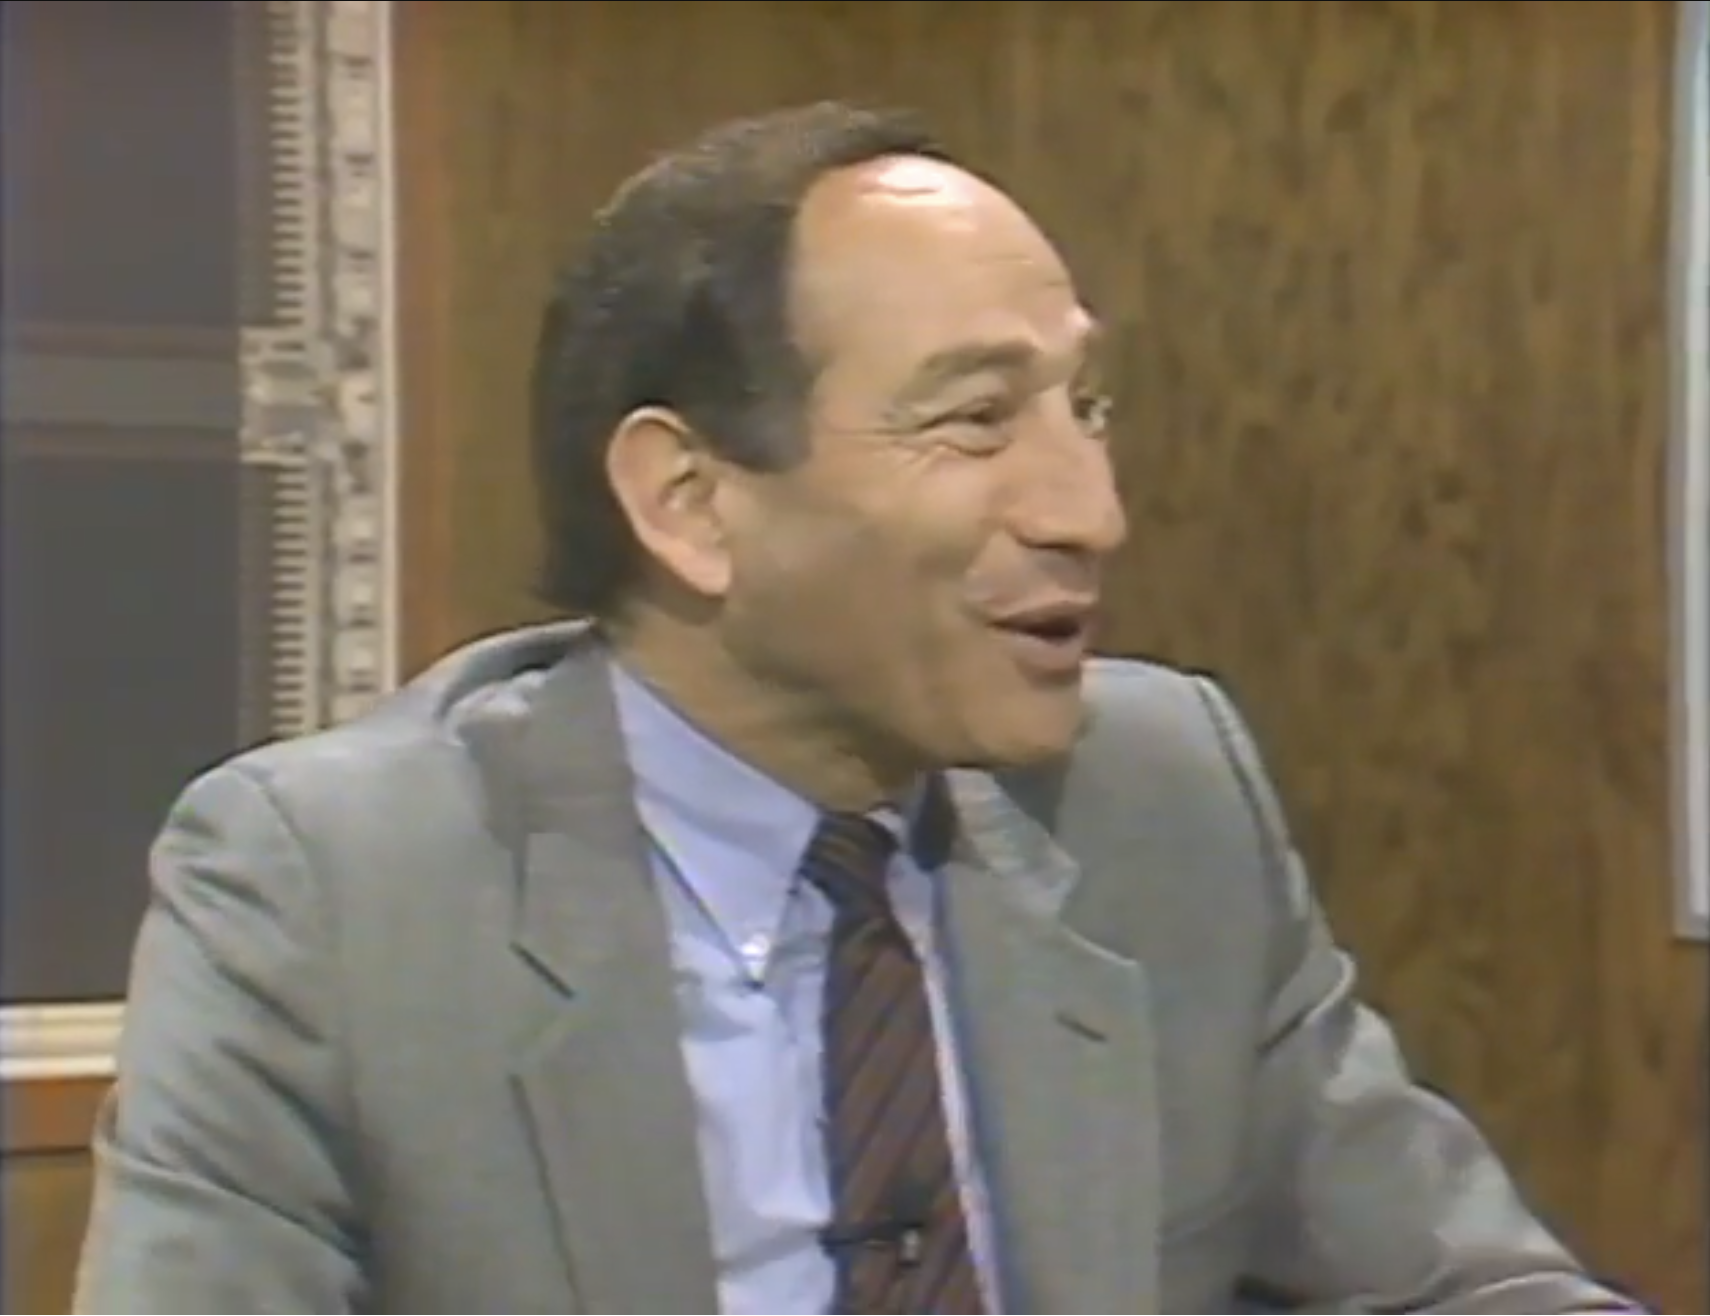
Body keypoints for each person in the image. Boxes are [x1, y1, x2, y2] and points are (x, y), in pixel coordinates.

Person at [75, 102, 1643, 1315]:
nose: (1085, 508)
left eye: (1083, 409)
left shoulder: (1161, 795)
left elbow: (1459, 1282)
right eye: (975, 420)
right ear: (690, 504)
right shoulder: (327, 890)